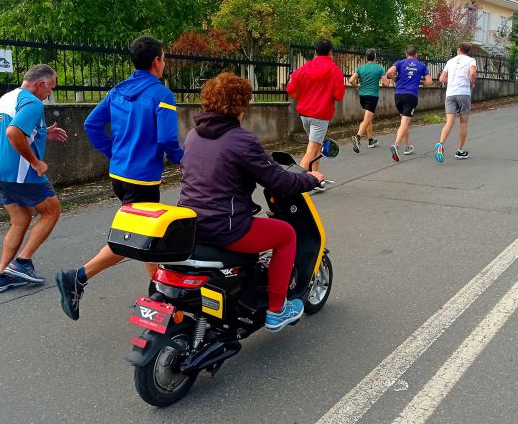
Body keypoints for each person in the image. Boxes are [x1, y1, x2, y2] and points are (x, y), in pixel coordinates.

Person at [179, 73, 325, 332]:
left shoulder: (193, 135)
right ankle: (277, 310)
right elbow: (280, 182)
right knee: (286, 235)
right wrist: (311, 179)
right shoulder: (240, 139)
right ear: (242, 105)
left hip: (191, 225)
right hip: (227, 228)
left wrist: (262, 158)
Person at [56, 35, 183, 321]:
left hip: (119, 175)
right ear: (156, 61)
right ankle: (78, 277)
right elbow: (167, 138)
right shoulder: (161, 94)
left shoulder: (119, 90)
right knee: (139, 239)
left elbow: (92, 124)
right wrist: (181, 158)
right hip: (143, 180)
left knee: (142, 236)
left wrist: (113, 152)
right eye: (164, 58)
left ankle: (159, 295)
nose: (164, 63)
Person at [0, 64, 69, 293]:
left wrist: (43, 132)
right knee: (52, 211)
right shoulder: (33, 102)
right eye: (50, 88)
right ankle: (22, 263)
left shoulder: (8, 97)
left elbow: (16, 129)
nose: (49, 94)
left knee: (21, 219)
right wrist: (35, 162)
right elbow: (13, 132)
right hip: (20, 173)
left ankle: (2, 275)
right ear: (40, 83)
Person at [286, 38, 345, 173]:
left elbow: (290, 89)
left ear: (315, 51)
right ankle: (295, 182)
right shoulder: (334, 70)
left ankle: (313, 177)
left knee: (316, 147)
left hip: (304, 114)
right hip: (320, 115)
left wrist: (301, 98)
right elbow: (339, 96)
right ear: (330, 52)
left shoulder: (304, 68)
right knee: (312, 150)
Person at [385, 45, 433, 162]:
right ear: (416, 55)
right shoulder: (421, 65)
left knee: (404, 122)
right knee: (405, 122)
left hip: (398, 95)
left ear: (406, 54)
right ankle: (396, 145)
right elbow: (429, 82)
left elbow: (389, 72)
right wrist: (419, 82)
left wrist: (396, 79)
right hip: (411, 95)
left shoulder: (400, 63)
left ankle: (406, 147)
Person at [434, 42, 477, 163]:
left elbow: (442, 78)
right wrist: (471, 82)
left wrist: (452, 81)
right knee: (463, 122)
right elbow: (473, 73)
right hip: (463, 93)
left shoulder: (450, 61)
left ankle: (441, 144)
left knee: (449, 122)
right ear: (468, 51)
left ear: (458, 50)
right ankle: (460, 150)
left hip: (450, 94)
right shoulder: (471, 60)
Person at [349, 48, 389, 152]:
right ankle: (357, 137)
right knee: (367, 118)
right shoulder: (379, 68)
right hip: (372, 96)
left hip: (362, 95)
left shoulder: (361, 68)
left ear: (366, 58)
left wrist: (358, 86)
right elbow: (386, 84)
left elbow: (351, 80)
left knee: (368, 117)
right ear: (375, 57)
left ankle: (370, 140)